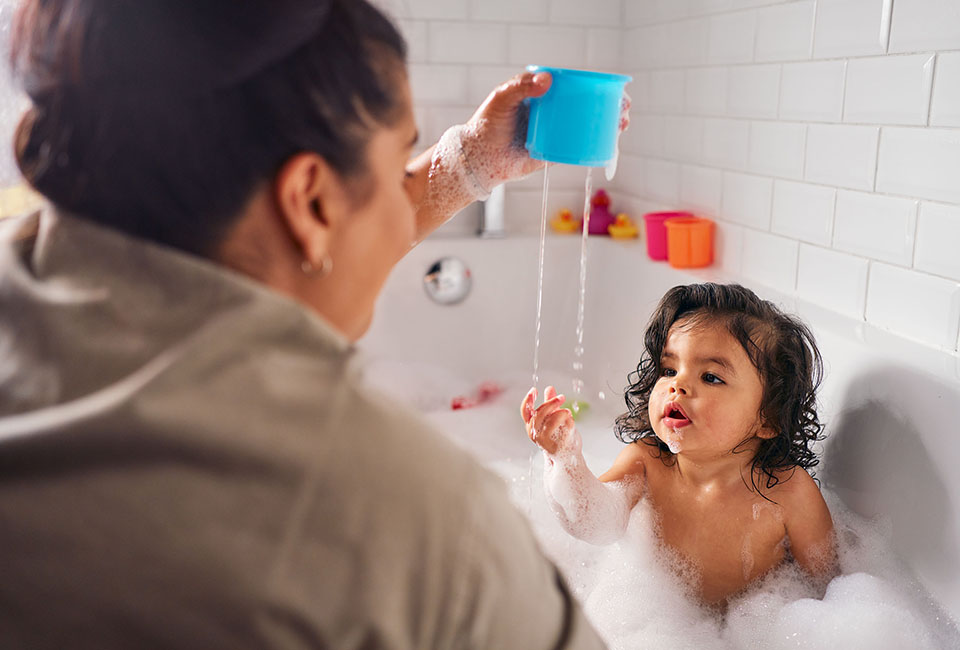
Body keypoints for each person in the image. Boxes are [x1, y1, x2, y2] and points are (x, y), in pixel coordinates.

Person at [0, 0, 608, 647]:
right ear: (310, 199)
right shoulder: (412, 523)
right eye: (398, 162)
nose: (406, 219)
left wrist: (466, 164)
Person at [522, 283, 838, 608]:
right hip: (652, 626)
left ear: (768, 418)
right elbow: (593, 520)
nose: (678, 385)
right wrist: (564, 459)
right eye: (670, 369)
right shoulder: (646, 462)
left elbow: (830, 592)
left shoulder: (788, 492)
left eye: (711, 377)